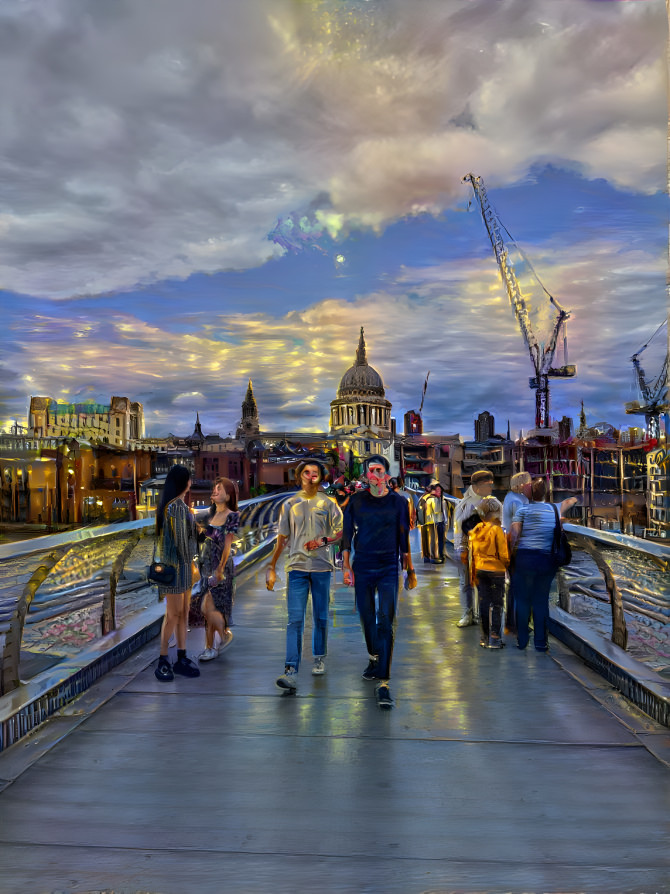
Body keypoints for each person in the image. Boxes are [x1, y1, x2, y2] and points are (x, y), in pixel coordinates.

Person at [267, 461, 343, 691]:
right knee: (295, 619)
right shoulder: (290, 504)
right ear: (299, 476)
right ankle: (291, 669)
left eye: (315, 473)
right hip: (297, 567)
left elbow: (340, 532)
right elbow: (282, 538)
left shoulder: (328, 503)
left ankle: (319, 656)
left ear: (320, 477)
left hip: (321, 566)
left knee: (320, 616)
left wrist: (323, 541)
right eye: (306, 473)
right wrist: (271, 567)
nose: (311, 476)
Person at [342, 454, 410, 708]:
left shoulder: (398, 502)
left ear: (386, 473)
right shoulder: (356, 502)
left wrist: (409, 569)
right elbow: (347, 535)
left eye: (378, 469)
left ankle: (384, 681)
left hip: (389, 566)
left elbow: (403, 538)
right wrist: (346, 566)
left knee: (386, 620)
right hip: (364, 565)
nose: (374, 475)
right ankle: (374, 656)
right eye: (369, 471)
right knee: (367, 617)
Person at [509, 479, 578, 652]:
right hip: (546, 560)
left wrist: (510, 556)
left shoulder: (522, 510)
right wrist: (576, 499)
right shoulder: (554, 509)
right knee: (541, 601)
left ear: (531, 493)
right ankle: (541, 643)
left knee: (523, 600)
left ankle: (522, 641)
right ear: (546, 494)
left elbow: (515, 535)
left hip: (525, 559)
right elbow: (571, 501)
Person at [154, 464, 200, 682]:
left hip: (177, 570)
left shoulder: (176, 507)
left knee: (181, 612)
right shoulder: (177, 508)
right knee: (174, 614)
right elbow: (183, 544)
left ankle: (181, 655)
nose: (191, 482)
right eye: (189, 479)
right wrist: (195, 560)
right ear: (185, 483)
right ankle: (163, 659)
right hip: (177, 569)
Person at [197, 477, 240, 662]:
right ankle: (209, 648)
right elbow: (202, 539)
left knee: (208, 606)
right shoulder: (209, 515)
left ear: (228, 496)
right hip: (205, 567)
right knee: (209, 610)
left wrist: (220, 569)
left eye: (219, 489)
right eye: (214, 488)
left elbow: (227, 546)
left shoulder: (232, 515)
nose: (214, 491)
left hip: (220, 567)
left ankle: (223, 635)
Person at [452, 470, 494, 627]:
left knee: (484, 583)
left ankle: (482, 615)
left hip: (486, 551)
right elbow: (459, 527)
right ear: (478, 486)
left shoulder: (490, 502)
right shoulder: (465, 504)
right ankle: (468, 613)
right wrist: (461, 548)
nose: (491, 487)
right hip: (469, 550)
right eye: (488, 485)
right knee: (466, 583)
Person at [469, 496, 509, 649]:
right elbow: (503, 554)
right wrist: (508, 567)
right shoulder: (497, 530)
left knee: (484, 603)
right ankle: (495, 637)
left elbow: (473, 554)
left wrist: (473, 574)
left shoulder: (477, 529)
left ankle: (484, 637)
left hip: (480, 570)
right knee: (498, 603)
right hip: (496, 572)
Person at [501, 471, 532, 635]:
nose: (530, 486)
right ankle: (517, 623)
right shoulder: (517, 501)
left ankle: (512, 623)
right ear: (521, 485)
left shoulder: (511, 498)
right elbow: (518, 527)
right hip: (518, 548)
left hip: (513, 546)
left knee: (514, 586)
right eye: (528, 483)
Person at [425, 482, 447, 563]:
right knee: (436, 540)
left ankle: (439, 554)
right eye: (437, 490)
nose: (439, 492)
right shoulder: (433, 499)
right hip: (435, 523)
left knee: (439, 540)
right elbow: (437, 511)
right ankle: (436, 556)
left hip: (437, 522)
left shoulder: (439, 499)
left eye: (440, 491)